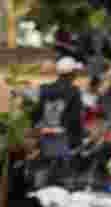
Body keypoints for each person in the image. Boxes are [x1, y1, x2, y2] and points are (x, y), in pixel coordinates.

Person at [32, 57, 85, 185]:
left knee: (43, 164)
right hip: (64, 136)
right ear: (72, 74)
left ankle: (39, 187)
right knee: (65, 171)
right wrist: (79, 139)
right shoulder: (74, 91)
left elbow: (35, 113)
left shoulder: (44, 88)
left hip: (45, 134)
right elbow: (75, 119)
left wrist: (38, 129)